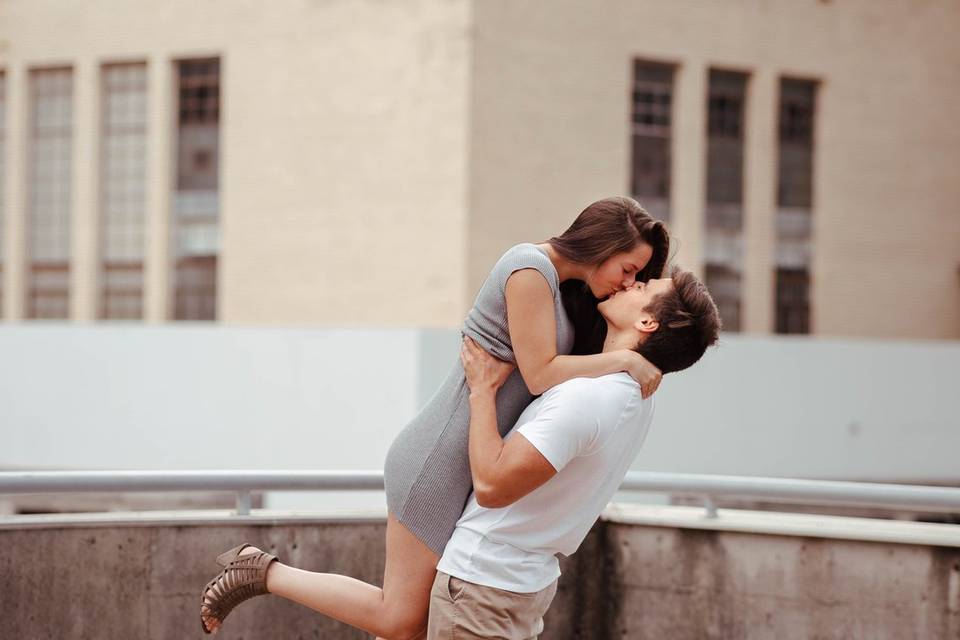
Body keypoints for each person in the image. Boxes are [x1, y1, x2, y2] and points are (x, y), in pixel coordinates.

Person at [200, 197, 670, 638]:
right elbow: (541, 373)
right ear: (603, 246)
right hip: (437, 461)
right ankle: (260, 570)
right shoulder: (529, 268)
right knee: (400, 618)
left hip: (470, 464)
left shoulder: (566, 290)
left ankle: (259, 570)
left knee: (415, 623)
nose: (629, 282)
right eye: (628, 269)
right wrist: (624, 360)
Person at [428, 267, 721, 639]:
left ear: (647, 321)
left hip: (483, 581)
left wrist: (482, 391)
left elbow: (491, 485)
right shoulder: (636, 397)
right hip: (517, 584)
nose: (631, 283)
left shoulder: (589, 398)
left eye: (643, 286)